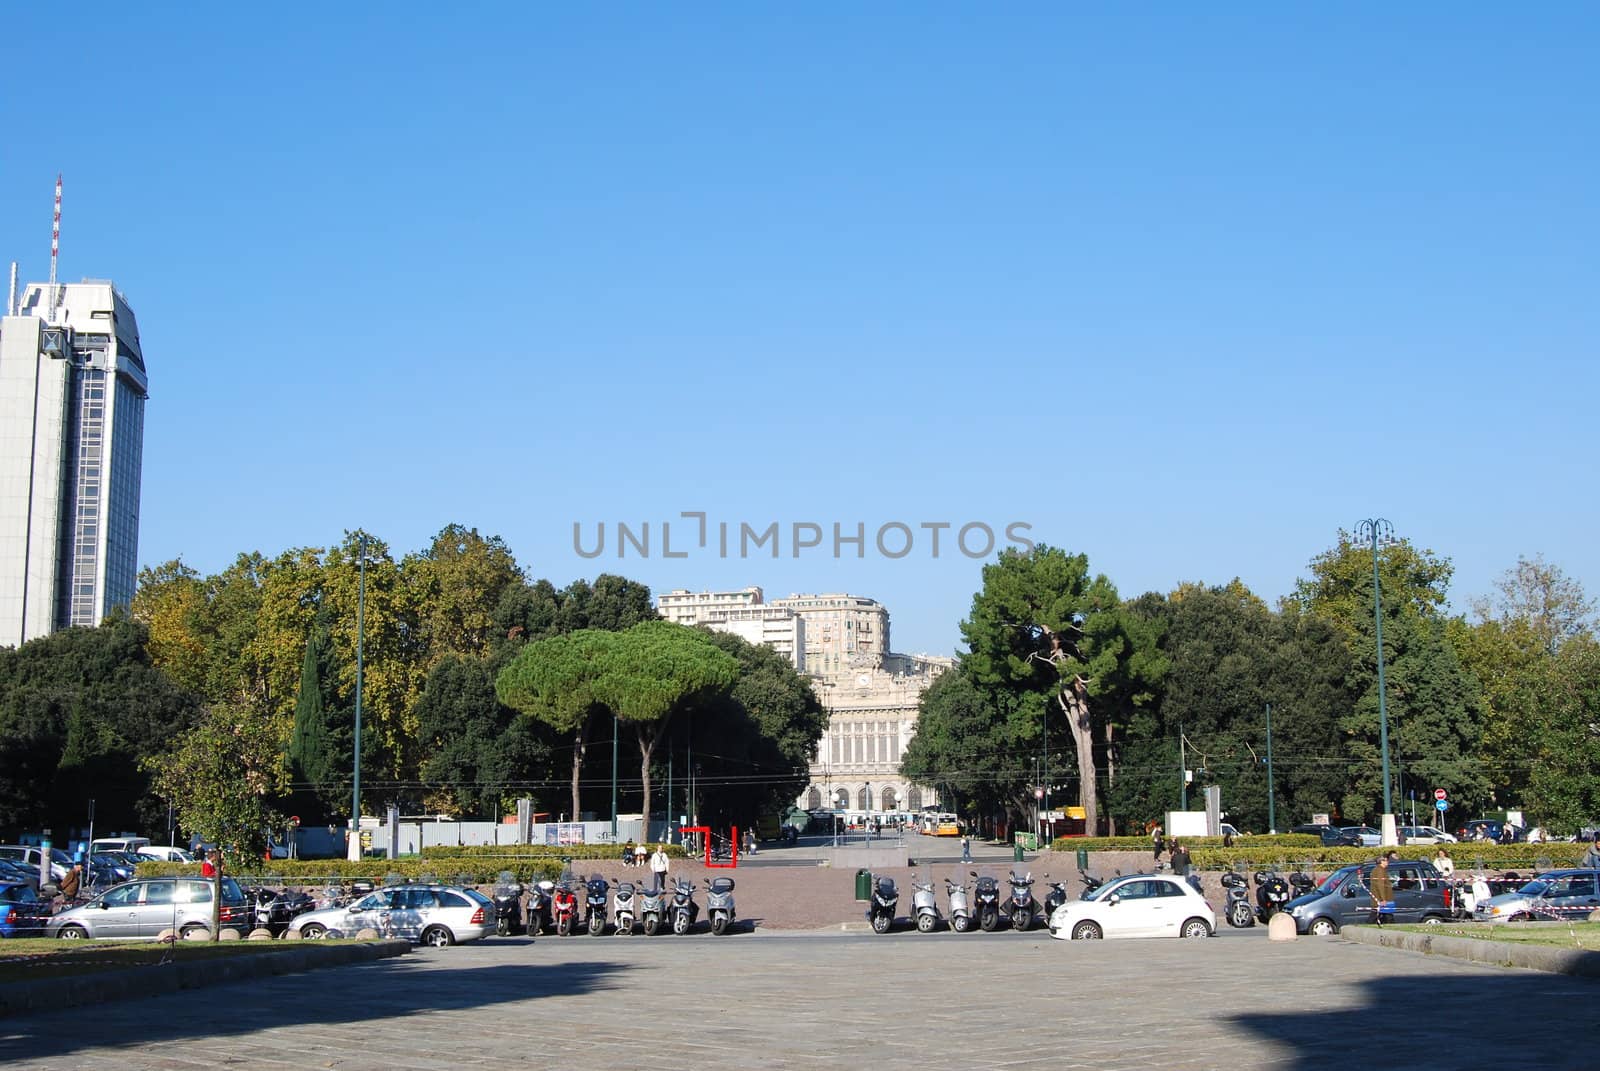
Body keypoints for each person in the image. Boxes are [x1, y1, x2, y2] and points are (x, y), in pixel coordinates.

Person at [1369, 853, 1394, 924]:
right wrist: (1383, 899)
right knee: (1387, 916)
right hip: (1383, 899)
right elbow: (1381, 886)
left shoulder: (1376, 869)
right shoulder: (1380, 871)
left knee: (1380, 915)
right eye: (1386, 861)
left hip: (1378, 899)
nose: (1387, 862)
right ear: (1381, 861)